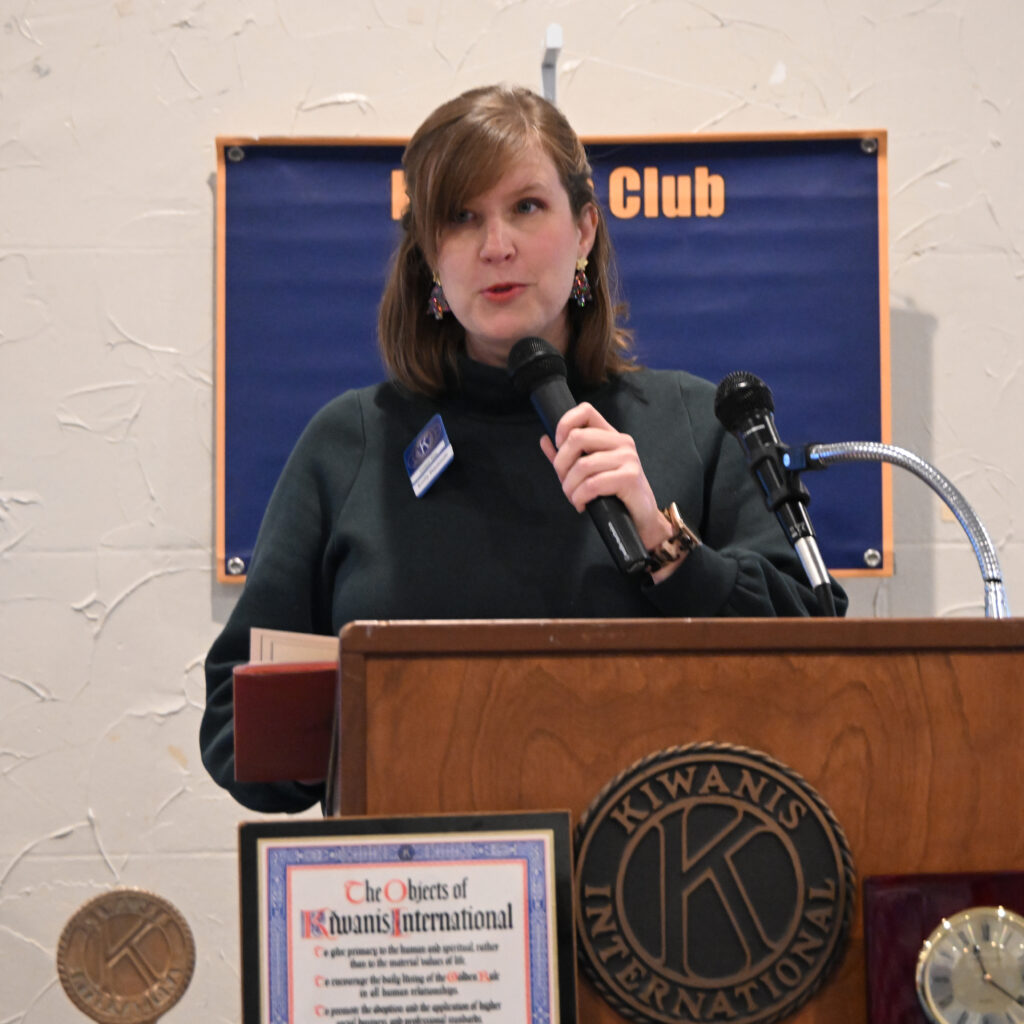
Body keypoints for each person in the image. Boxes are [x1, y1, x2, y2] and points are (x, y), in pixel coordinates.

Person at [200, 84, 847, 813]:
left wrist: (665, 546)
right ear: (429, 256)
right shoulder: (350, 443)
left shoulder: (698, 424)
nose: (496, 245)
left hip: (657, 868)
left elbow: (818, 668)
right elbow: (232, 725)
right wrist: (380, 728)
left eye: (527, 207)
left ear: (586, 230)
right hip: (427, 876)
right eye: (462, 217)